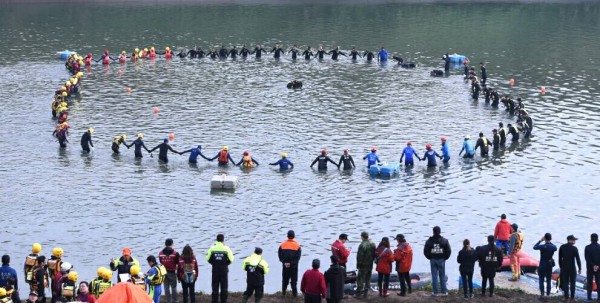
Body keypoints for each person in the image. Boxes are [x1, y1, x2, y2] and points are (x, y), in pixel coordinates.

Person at [206, 234, 234, 303]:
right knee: (224, 288)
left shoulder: (212, 248)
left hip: (215, 270)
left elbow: (207, 259)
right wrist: (225, 264)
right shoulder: (226, 248)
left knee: (215, 287)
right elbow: (231, 259)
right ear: (223, 240)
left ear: (216, 240)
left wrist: (214, 263)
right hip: (224, 270)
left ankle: (214, 301)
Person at [423, 226, 451, 296]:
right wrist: (445, 258)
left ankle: (435, 293)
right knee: (442, 276)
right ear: (440, 232)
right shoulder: (444, 241)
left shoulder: (429, 241)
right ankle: (444, 292)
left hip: (433, 260)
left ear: (433, 232)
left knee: (434, 277)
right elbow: (449, 251)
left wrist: (429, 257)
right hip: (441, 260)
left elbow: (425, 251)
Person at [533, 233, 557, 298]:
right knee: (548, 280)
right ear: (551, 239)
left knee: (541, 280)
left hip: (542, 265)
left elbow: (534, 247)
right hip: (549, 265)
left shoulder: (542, 246)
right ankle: (548, 294)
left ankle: (542, 294)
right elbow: (555, 248)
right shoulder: (553, 247)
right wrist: (548, 241)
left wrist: (540, 240)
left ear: (545, 238)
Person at [278, 230, 301, 297]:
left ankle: (283, 293)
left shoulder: (282, 245)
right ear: (294, 236)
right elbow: (297, 258)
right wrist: (291, 263)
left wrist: (284, 262)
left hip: (285, 266)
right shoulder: (297, 246)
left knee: (284, 280)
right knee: (294, 281)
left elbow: (280, 256)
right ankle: (295, 294)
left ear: (287, 236)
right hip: (294, 267)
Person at [558, 235, 582, 300]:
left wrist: (561, 267)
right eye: (573, 240)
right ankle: (572, 297)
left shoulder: (562, 247)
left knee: (565, 282)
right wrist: (579, 268)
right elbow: (578, 259)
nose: (574, 241)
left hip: (564, 267)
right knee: (573, 283)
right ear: (569, 240)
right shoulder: (574, 249)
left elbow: (560, 258)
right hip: (572, 268)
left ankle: (566, 297)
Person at [159, 239, 180, 303]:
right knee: (173, 287)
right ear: (172, 244)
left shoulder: (160, 253)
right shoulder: (175, 253)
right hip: (172, 272)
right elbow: (178, 262)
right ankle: (175, 301)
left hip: (163, 271)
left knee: (166, 287)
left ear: (165, 244)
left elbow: (161, 262)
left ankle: (168, 301)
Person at [355, 232, 375, 298]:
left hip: (363, 265)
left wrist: (358, 265)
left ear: (362, 237)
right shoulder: (372, 244)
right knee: (368, 278)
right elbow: (374, 254)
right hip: (370, 264)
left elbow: (360, 256)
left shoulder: (362, 245)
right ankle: (366, 292)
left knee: (360, 278)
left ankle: (358, 293)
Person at [585, 233, 600, 301]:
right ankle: (599, 297)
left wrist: (593, 265)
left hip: (589, 268)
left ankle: (589, 297)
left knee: (589, 282)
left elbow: (587, 259)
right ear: (597, 239)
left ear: (591, 239)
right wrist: (597, 266)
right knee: (598, 282)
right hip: (599, 268)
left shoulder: (587, 247)